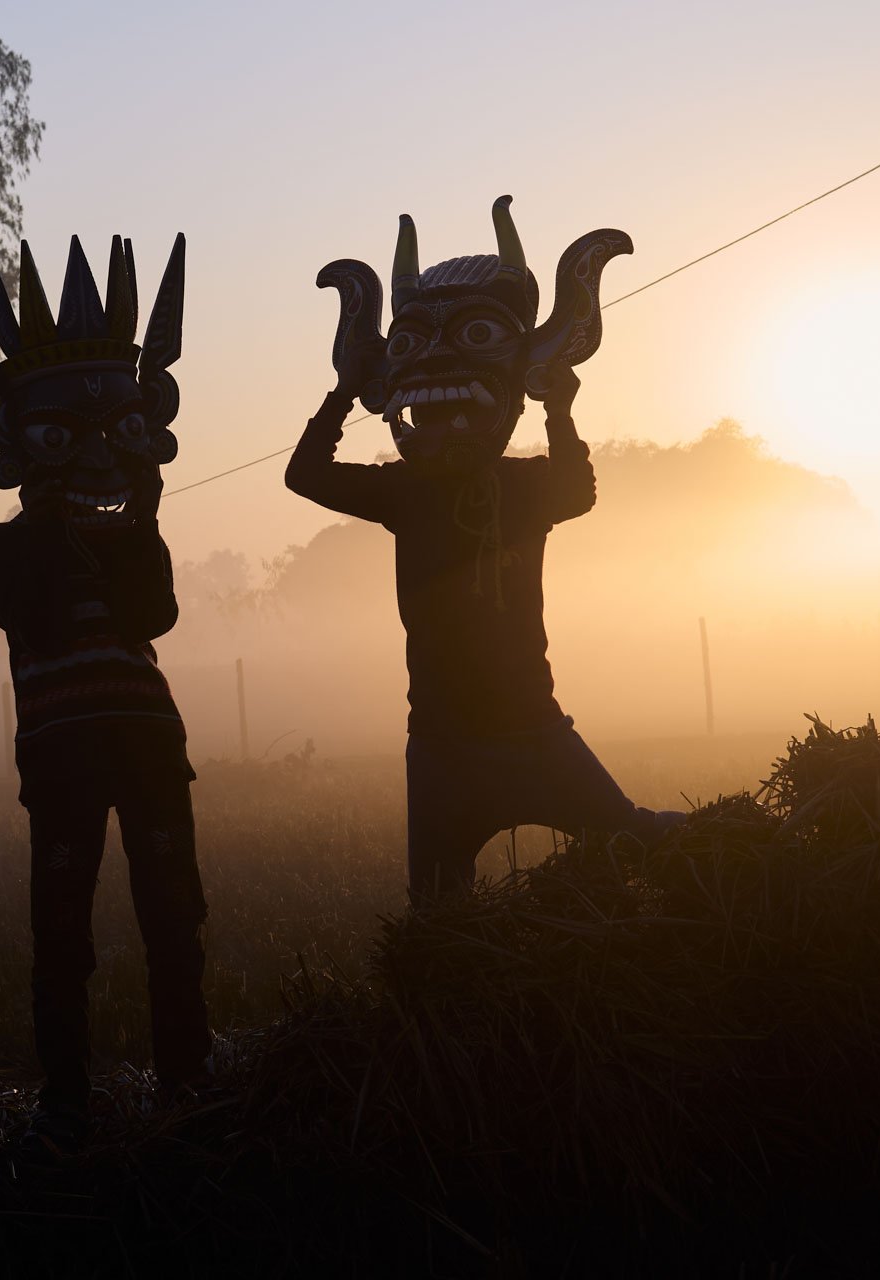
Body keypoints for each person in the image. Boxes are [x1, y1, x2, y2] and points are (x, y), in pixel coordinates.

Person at [287, 197, 684, 904]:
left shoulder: (512, 485)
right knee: (441, 914)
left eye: (473, 336)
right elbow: (305, 477)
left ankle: (726, 843)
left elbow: (576, 489)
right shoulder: (408, 491)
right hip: (449, 747)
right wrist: (344, 391)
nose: (438, 421)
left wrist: (559, 409)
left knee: (628, 834)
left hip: (526, 732)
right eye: (410, 347)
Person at [0, 234, 209, 1156]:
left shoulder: (134, 535)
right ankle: (66, 1099)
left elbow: (155, 616)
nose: (97, 455)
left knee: (175, 914)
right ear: (19, 444)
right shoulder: (7, 545)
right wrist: (89, 527)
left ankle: (188, 1078)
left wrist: (143, 522)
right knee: (64, 928)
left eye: (114, 431)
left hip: (147, 743)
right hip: (62, 755)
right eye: (68, 437)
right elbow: (32, 619)